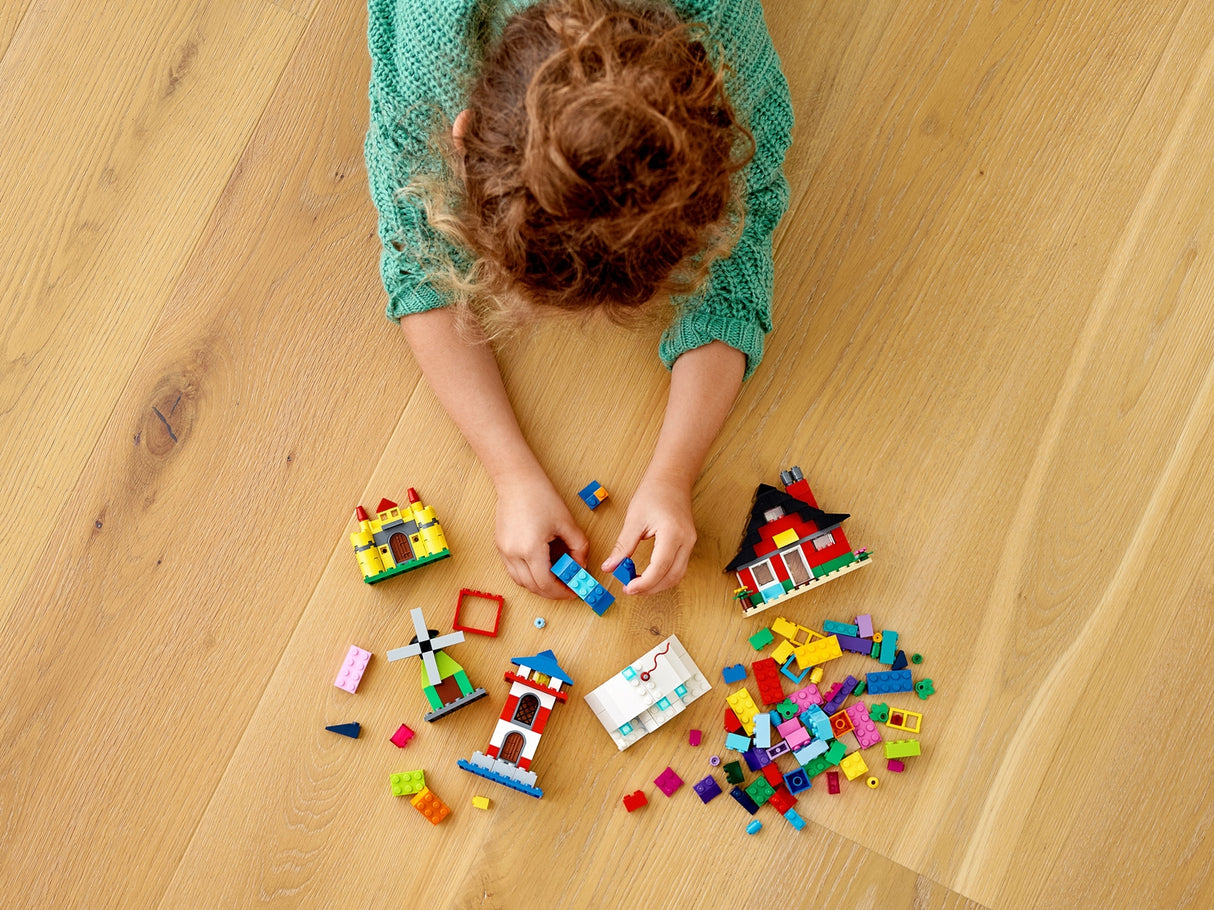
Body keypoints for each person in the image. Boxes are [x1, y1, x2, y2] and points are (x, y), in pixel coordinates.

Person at [365, 0, 793, 599]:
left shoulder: (725, 62)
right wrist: (509, 472)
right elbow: (418, 259)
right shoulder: (432, 50)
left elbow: (734, 267)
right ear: (460, 137)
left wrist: (674, 474)